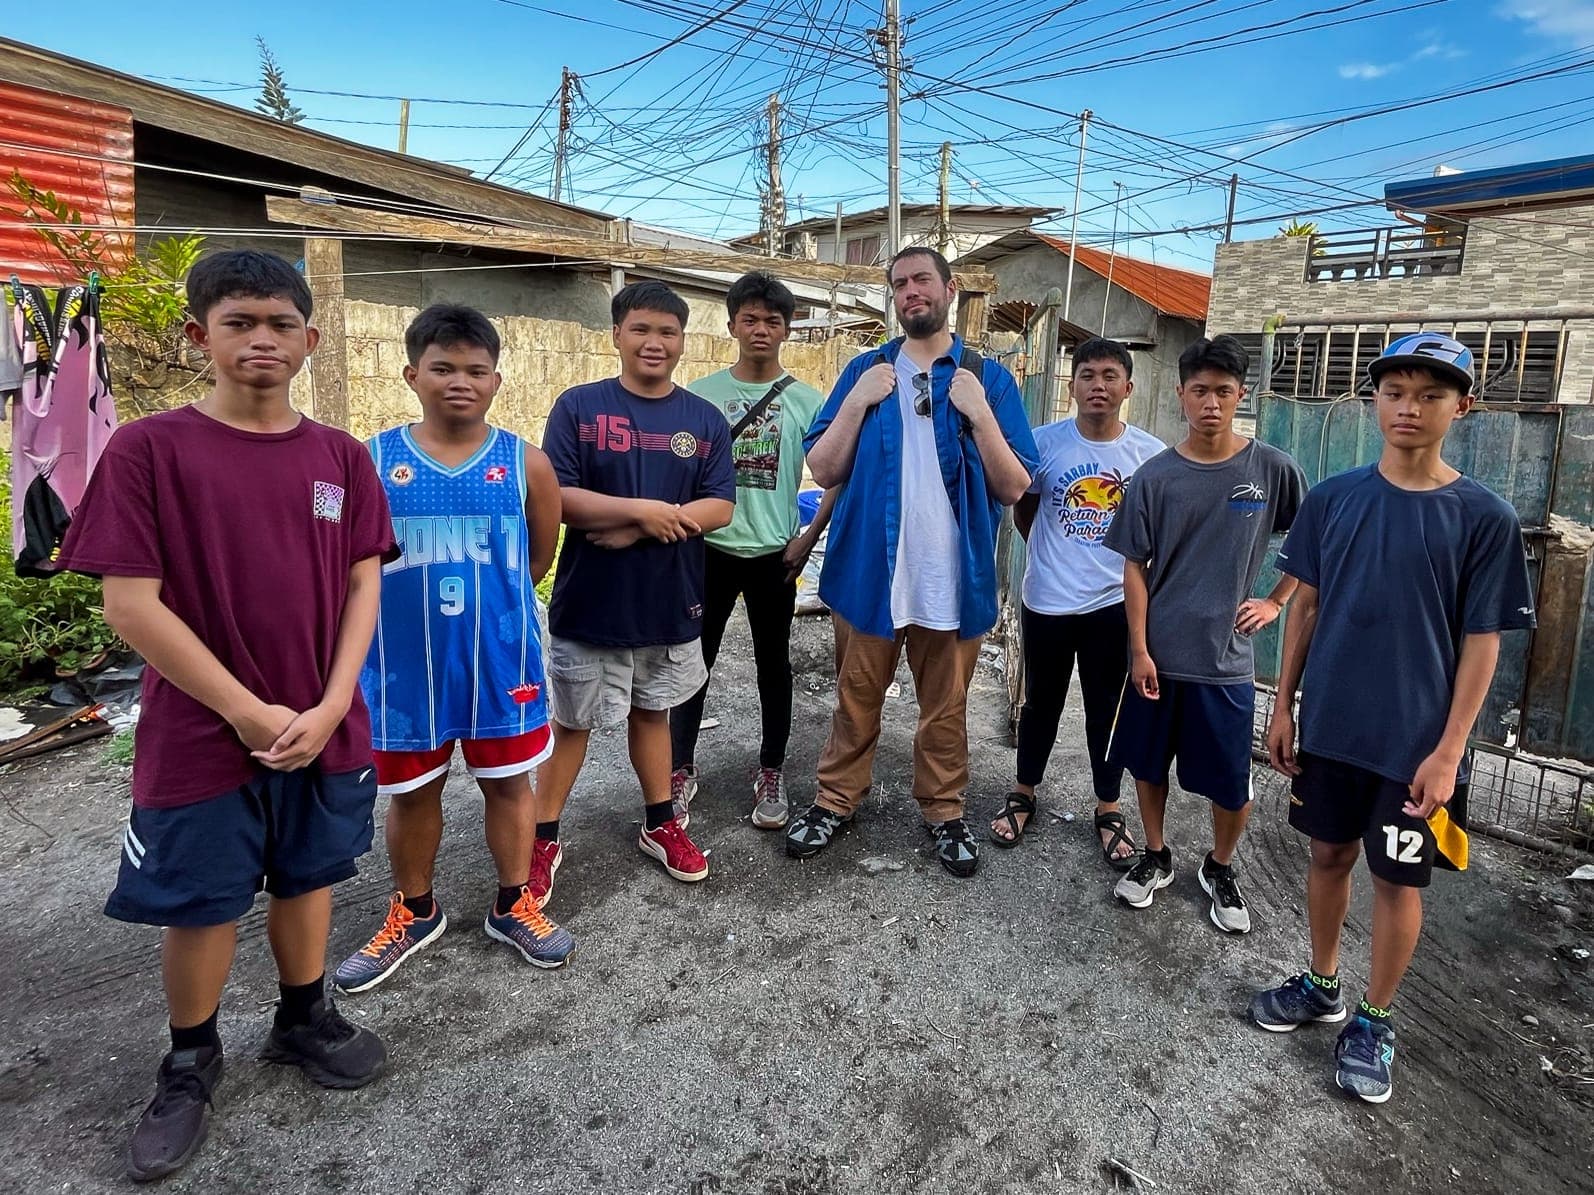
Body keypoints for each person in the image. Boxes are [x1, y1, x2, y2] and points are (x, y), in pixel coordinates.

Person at [54, 250, 393, 1182]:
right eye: (239, 322)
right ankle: (190, 1057)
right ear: (199, 334)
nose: (262, 340)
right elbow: (130, 604)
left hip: (325, 722)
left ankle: (302, 1017)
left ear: (310, 340)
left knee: (308, 872)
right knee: (202, 900)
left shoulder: (339, 456)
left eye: (281, 324)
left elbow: (365, 581)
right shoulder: (149, 451)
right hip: (204, 730)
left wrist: (331, 704)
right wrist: (247, 711)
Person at [1251, 334, 1534, 1104]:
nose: (1410, 407)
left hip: (1416, 748)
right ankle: (1320, 983)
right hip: (1332, 729)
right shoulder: (1334, 497)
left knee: (1396, 878)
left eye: (1431, 395)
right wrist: (1283, 705)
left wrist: (1450, 752)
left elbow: (1483, 645)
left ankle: (1374, 1019)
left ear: (1462, 407)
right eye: (1396, 391)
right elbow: (1303, 603)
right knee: (1327, 857)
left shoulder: (1485, 516)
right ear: (1376, 399)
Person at [332, 304, 574, 994]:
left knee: (509, 783)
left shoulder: (526, 461)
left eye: (475, 369)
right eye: (442, 367)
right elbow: (350, 565)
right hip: (403, 667)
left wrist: (489, 610)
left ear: (498, 378)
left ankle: (513, 902)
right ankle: (413, 909)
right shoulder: (371, 460)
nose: (459, 381)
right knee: (411, 793)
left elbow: (536, 557)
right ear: (412, 373)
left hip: (500, 664)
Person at [789, 246, 1037, 878]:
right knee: (856, 696)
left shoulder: (990, 379)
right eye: (899, 285)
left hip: (955, 577)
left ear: (949, 289)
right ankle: (836, 801)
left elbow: (1014, 487)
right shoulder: (866, 371)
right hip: (873, 571)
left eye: (922, 279)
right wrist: (855, 402)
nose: (910, 292)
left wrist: (979, 413)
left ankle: (944, 813)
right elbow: (822, 468)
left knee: (946, 706)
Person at [531, 281, 735, 898]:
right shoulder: (579, 407)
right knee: (573, 724)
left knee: (655, 714)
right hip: (592, 602)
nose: (655, 342)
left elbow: (720, 506)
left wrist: (643, 530)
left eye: (668, 332)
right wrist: (641, 513)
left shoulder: (703, 419)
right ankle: (541, 838)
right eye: (641, 329)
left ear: (683, 340)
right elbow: (558, 496)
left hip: (670, 598)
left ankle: (660, 823)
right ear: (616, 334)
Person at [1104, 334, 1305, 933]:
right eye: (1200, 391)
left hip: (1227, 662)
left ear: (1242, 395)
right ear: (1180, 396)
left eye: (1223, 391)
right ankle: (1157, 855)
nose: (1211, 403)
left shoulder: (1271, 469)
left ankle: (1219, 867)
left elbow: (1310, 547)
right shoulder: (1155, 478)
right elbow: (1133, 566)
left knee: (1229, 782)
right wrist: (1139, 649)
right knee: (1146, 767)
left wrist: (1275, 599)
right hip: (1160, 657)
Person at [668, 271, 834, 831]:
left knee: (773, 666)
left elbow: (838, 473)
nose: (761, 329)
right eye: (751, 319)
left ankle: (771, 768)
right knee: (694, 664)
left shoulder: (810, 402)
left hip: (775, 557)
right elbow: (678, 473)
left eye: (773, 320)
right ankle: (679, 768)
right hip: (709, 552)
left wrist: (808, 538)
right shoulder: (701, 397)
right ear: (733, 324)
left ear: (787, 329)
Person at [989, 337, 1163, 869]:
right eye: (1087, 375)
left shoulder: (1149, 455)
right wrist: (1052, 558)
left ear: (1127, 388)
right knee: (1040, 703)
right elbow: (1026, 511)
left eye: (1110, 376)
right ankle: (1024, 792)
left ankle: (1108, 807)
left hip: (1113, 605)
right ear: (1072, 385)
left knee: (1104, 711)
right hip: (1047, 601)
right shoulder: (1043, 445)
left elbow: (1154, 535)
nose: (1098, 386)